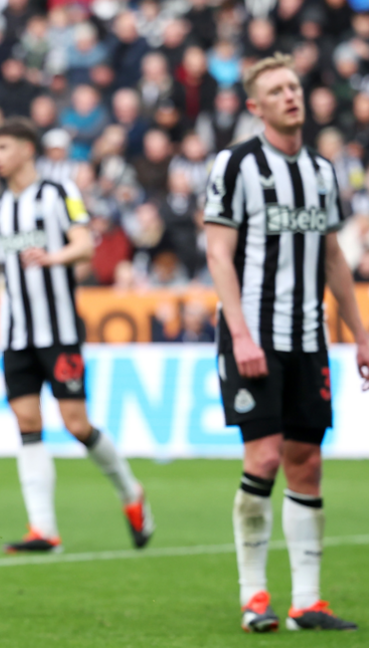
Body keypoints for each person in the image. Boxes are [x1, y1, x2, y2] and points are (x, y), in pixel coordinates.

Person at [203, 53, 367, 633]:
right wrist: (241, 333)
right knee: (265, 456)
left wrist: (360, 333)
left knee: (307, 461)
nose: (290, 96)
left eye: (294, 86)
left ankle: (308, 603)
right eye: (276, 90)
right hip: (252, 336)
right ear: (256, 106)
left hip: (308, 336)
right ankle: (254, 596)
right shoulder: (235, 165)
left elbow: (332, 256)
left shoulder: (323, 172)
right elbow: (218, 252)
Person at [0, 117, 154, 554]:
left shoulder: (59, 193)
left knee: (76, 424)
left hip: (59, 331)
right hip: (15, 336)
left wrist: (53, 258)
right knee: (27, 423)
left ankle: (131, 493)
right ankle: (44, 530)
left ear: (26, 150)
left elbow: (85, 244)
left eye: (3, 148)